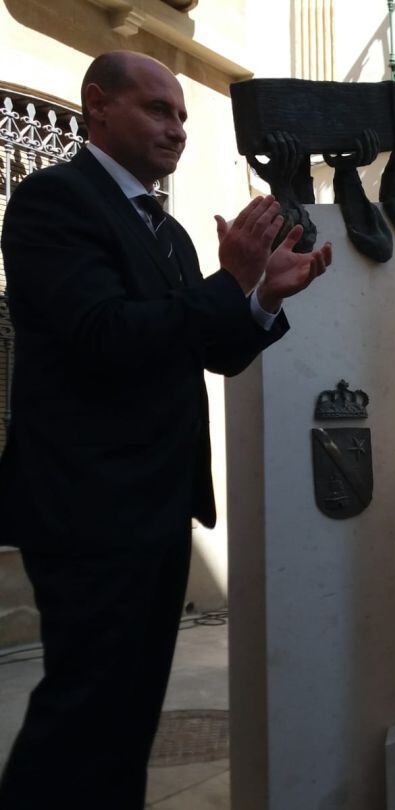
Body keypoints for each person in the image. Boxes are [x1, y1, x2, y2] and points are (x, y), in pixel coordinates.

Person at [0, 51, 332, 808]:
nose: (177, 129)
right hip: (86, 510)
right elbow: (103, 335)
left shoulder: (171, 234)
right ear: (98, 107)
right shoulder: (55, 202)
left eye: (182, 115)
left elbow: (211, 350)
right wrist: (228, 284)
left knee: (126, 718)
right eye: (158, 110)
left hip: (156, 508)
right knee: (82, 715)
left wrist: (262, 300)